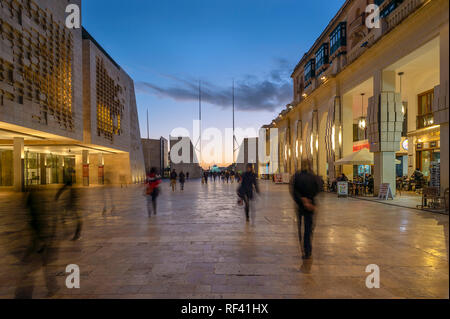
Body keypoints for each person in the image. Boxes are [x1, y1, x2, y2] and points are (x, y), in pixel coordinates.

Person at [290, 161, 320, 260]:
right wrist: (310, 200)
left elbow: (293, 190)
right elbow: (319, 188)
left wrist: (302, 200)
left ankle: (303, 249)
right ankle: (308, 250)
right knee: (308, 229)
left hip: (300, 206)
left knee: (300, 228)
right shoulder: (313, 176)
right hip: (310, 206)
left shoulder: (296, 176)